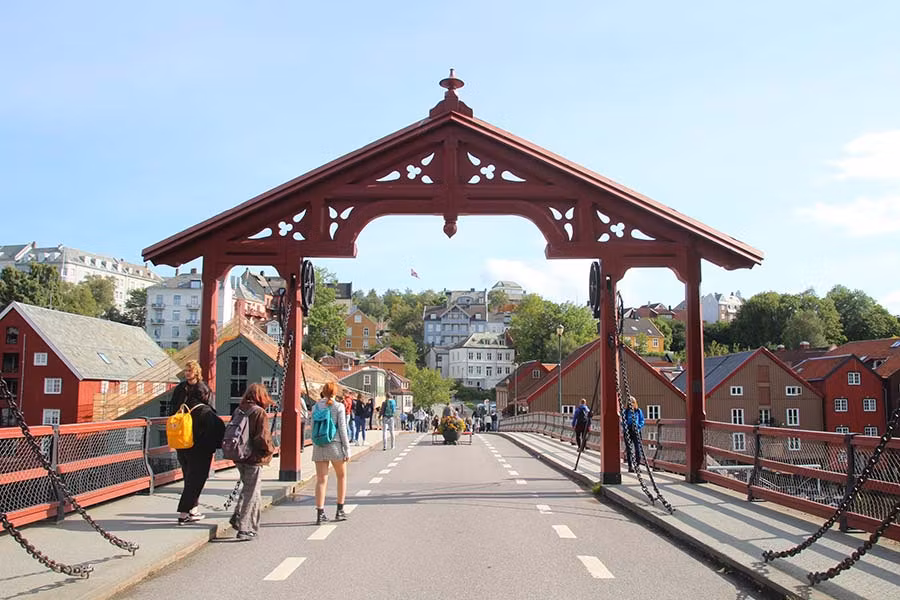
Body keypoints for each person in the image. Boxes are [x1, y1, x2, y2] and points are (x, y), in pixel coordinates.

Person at [170, 360, 223, 525]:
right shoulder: (204, 408)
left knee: (189, 477)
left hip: (182, 440)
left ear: (196, 372)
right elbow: (214, 423)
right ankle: (185, 512)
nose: (187, 373)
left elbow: (172, 410)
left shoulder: (181, 393)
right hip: (198, 444)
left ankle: (192, 509)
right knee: (196, 477)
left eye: (189, 370)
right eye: (186, 370)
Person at [230, 383, 275, 541]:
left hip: (239, 455)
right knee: (252, 492)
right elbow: (263, 438)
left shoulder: (239, 410)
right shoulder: (259, 412)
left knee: (248, 487)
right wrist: (270, 450)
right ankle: (245, 528)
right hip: (254, 457)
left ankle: (238, 516)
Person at [312, 381, 351, 525]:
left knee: (321, 479)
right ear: (335, 393)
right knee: (341, 477)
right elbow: (342, 429)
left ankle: (320, 513)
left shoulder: (315, 407)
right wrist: (347, 449)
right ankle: (340, 510)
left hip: (319, 446)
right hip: (335, 445)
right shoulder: (339, 406)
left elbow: (313, 426)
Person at [622, 395, 645, 472]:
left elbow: (642, 421)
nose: (631, 404)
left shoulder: (638, 411)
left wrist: (638, 426)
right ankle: (630, 466)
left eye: (632, 402)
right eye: (629, 402)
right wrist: (626, 426)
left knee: (637, 449)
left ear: (635, 403)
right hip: (628, 431)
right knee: (629, 449)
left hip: (636, 431)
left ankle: (637, 466)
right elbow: (622, 422)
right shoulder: (626, 412)